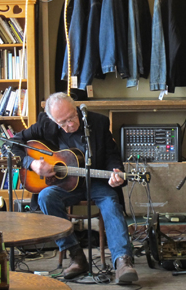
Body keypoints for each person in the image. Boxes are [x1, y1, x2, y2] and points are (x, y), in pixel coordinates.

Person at [8, 92, 138, 284]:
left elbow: (111, 154)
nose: (70, 124)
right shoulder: (46, 124)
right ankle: (76, 256)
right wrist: (32, 164)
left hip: (97, 182)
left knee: (111, 203)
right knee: (46, 197)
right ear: (53, 120)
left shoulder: (98, 122)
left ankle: (122, 261)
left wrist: (115, 171)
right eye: (63, 122)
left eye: (72, 117)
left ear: (77, 108)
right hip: (64, 184)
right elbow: (10, 145)